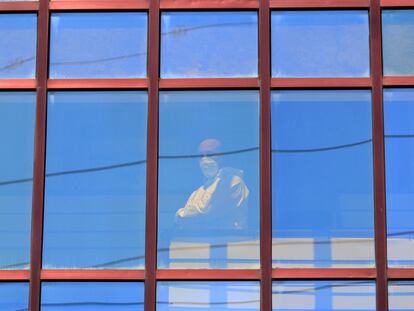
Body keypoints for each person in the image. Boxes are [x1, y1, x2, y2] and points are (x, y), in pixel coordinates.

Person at [175, 138, 249, 230]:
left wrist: (180, 214)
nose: (204, 159)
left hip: (230, 241)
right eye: (200, 155)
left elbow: (205, 212)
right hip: (198, 242)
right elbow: (184, 223)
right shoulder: (198, 191)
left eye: (209, 154)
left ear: (222, 157)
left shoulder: (233, 182)